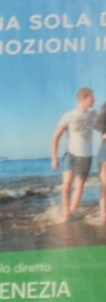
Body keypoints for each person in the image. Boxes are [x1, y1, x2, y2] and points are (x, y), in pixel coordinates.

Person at [54, 87, 101, 224]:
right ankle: (65, 211)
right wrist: (54, 158)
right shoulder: (68, 116)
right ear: (83, 99)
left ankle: (71, 213)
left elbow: (102, 127)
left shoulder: (93, 116)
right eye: (92, 99)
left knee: (79, 186)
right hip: (71, 154)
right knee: (66, 184)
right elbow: (56, 137)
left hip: (86, 156)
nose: (94, 101)